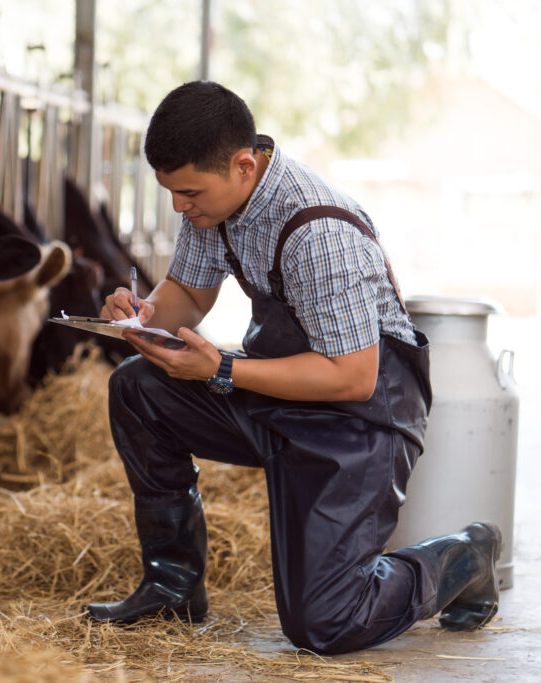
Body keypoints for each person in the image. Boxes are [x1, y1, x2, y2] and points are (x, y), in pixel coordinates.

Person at [87, 81, 501, 654]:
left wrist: (221, 370)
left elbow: (353, 376)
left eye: (188, 192)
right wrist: (142, 317)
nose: (180, 206)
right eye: (172, 193)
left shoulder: (317, 231)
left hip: (359, 421)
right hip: (281, 393)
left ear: (242, 165)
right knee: (138, 387)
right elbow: (189, 291)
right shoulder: (217, 206)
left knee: (325, 625)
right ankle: (173, 587)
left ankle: (461, 556)